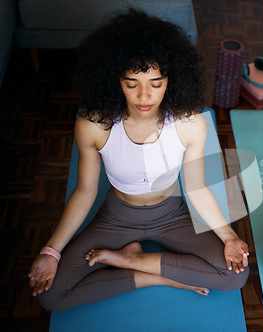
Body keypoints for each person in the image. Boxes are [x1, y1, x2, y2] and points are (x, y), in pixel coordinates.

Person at [28, 9, 249, 311]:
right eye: (132, 84)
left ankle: (136, 259)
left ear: (172, 80)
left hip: (172, 214)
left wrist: (229, 237)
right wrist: (51, 252)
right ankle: (156, 276)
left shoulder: (191, 124)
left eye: (156, 84)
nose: (144, 96)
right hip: (117, 217)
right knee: (50, 295)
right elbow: (85, 192)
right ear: (115, 80)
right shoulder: (93, 125)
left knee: (235, 275)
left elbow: (196, 188)